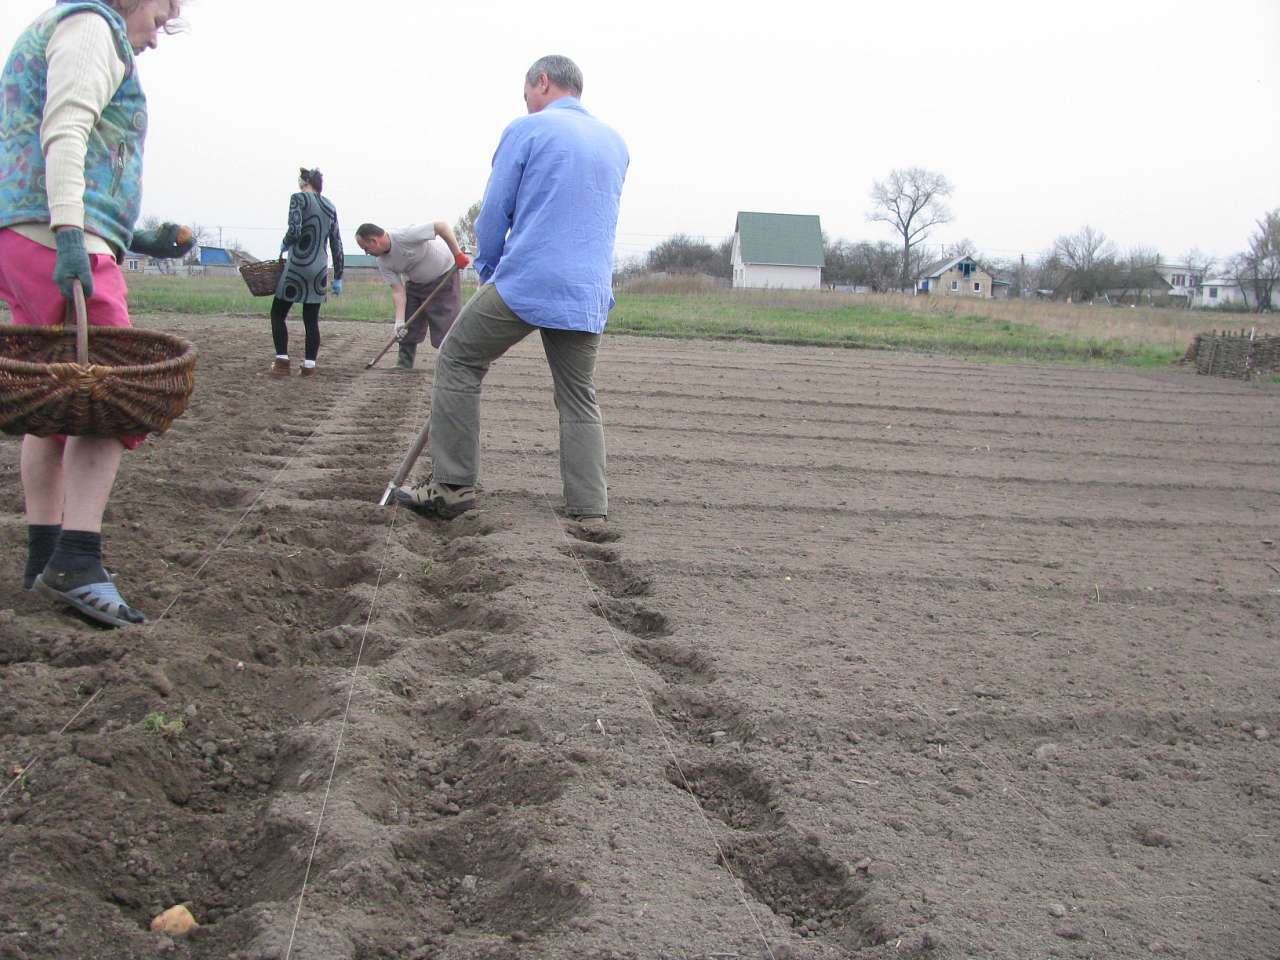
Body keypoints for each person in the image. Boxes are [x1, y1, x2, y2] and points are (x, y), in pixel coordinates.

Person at [0, 0, 192, 627]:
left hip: (31, 232)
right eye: (160, 16)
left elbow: (75, 156)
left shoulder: (64, 27)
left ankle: (44, 554)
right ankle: (77, 559)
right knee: (111, 394)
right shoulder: (92, 27)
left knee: (61, 399)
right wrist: (70, 236)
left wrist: (138, 238)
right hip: (53, 235)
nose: (157, 36)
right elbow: (66, 130)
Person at [394, 55, 628, 526]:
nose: (526, 104)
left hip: (528, 281)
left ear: (542, 82)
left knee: (458, 358)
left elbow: (496, 210)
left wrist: (489, 269)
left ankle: (452, 486)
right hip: (587, 291)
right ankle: (589, 506)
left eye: (526, 94)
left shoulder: (528, 130)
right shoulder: (614, 142)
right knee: (578, 393)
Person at [354, 221, 470, 369]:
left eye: (366, 248)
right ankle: (404, 364)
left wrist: (457, 254)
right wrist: (399, 321)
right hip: (415, 284)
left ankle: (453, 365)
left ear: (374, 241)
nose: (367, 252)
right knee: (408, 324)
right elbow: (398, 290)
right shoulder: (383, 262)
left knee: (446, 325)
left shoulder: (404, 236)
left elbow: (441, 226)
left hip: (444, 277)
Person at [270, 167, 343, 377]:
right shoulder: (330, 205)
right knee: (311, 319)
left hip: (298, 265)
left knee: (277, 313)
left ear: (304, 181)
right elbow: (336, 243)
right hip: (319, 268)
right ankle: (309, 365)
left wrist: (284, 244)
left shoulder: (298, 199)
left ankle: (282, 361)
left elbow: (295, 229)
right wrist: (338, 275)